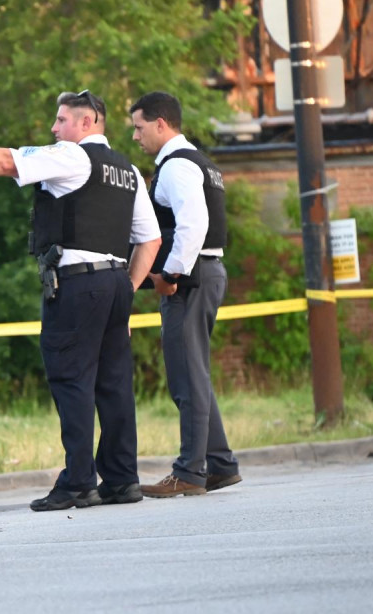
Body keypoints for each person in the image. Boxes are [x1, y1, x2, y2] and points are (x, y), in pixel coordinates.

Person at [0, 90, 161, 512]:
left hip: (78, 284)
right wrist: (126, 292)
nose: (54, 128)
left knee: (72, 380)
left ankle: (78, 482)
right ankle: (121, 479)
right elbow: (150, 239)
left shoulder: (72, 156)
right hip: (115, 283)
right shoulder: (127, 170)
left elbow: (6, 161)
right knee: (113, 386)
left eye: (61, 120)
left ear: (87, 122)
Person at [129, 91, 242, 498]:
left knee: (186, 377)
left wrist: (170, 274)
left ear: (161, 124)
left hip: (190, 278)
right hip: (208, 272)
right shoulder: (201, 162)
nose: (136, 136)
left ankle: (190, 471)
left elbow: (193, 225)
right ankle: (220, 464)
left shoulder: (176, 166)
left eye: (139, 127)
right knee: (194, 373)